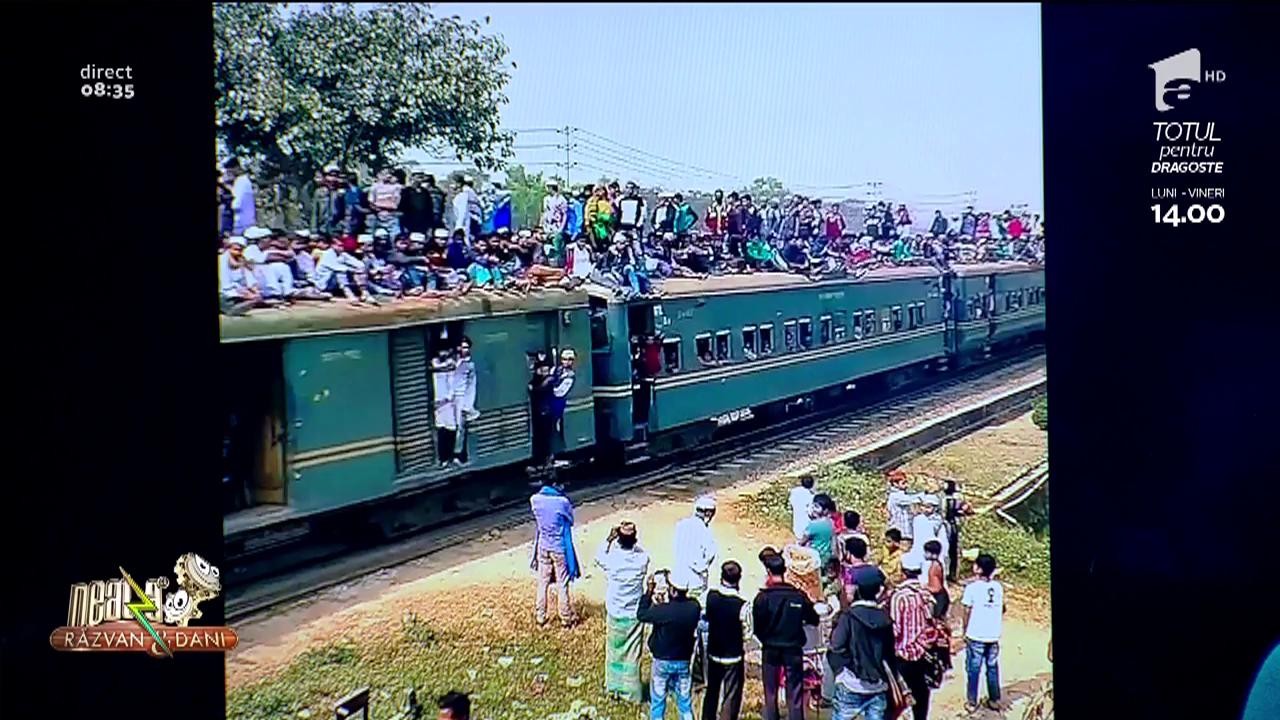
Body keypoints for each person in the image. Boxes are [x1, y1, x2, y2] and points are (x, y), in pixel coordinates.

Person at [754, 551, 820, 720]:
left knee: (771, 691)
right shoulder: (798, 596)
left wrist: (766, 639)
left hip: (770, 649)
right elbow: (814, 618)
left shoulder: (763, 598)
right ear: (785, 571)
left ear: (768, 572)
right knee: (795, 691)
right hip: (793, 649)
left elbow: (757, 627)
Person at [827, 574, 896, 720]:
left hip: (850, 682)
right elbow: (890, 653)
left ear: (858, 591)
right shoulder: (885, 618)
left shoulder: (848, 617)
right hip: (878, 685)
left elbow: (836, 646)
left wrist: (843, 669)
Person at [595, 522, 650, 703]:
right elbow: (640, 551)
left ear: (618, 539)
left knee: (614, 652)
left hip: (616, 612)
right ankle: (631, 693)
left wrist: (610, 539)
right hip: (634, 614)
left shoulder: (612, 559)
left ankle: (614, 688)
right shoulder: (642, 559)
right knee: (632, 655)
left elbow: (598, 556)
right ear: (635, 539)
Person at [638, 569, 702, 720]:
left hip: (662, 661)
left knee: (658, 702)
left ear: (672, 590)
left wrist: (649, 592)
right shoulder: (694, 608)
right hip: (683, 661)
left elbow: (641, 614)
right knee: (685, 702)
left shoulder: (663, 611)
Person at [703, 561, 752, 720]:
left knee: (711, 691)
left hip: (713, 651)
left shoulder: (710, 597)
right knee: (731, 695)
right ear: (739, 579)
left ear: (721, 577)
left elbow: (705, 618)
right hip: (733, 655)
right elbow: (748, 632)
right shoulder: (743, 605)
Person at [890, 556, 937, 720]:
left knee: (897, 696)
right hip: (923, 652)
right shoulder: (926, 593)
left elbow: (895, 628)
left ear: (903, 572)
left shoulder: (899, 596)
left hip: (903, 653)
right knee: (921, 692)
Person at [529, 480, 580, 628]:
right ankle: (565, 618)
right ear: (556, 485)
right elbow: (570, 520)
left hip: (542, 546)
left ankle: (540, 617)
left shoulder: (535, 500)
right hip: (559, 548)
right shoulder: (562, 502)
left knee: (542, 582)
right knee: (562, 583)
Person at [961, 553, 1005, 713]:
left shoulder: (971, 588)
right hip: (993, 634)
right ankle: (994, 699)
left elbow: (966, 611)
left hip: (976, 634)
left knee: (974, 668)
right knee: (992, 667)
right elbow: (1003, 609)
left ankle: (972, 701)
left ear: (978, 569)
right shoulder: (998, 587)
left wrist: (964, 630)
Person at [672, 496, 720, 599]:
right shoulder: (706, 533)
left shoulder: (681, 525)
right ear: (708, 513)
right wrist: (702, 571)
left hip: (678, 579)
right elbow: (708, 558)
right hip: (695, 582)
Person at [242, 227, 298, 300]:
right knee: (267, 268)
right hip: (254, 278)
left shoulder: (264, 250)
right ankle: (274, 293)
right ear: (261, 240)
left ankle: (287, 291)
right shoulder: (251, 249)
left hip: (263, 276)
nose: (271, 241)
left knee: (283, 267)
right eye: (269, 238)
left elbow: (290, 255)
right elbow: (265, 259)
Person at [451, 336, 479, 465]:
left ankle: (458, 454)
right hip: (450, 399)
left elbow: (471, 386)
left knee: (459, 428)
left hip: (461, 399)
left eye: (465, 347)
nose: (463, 349)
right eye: (461, 347)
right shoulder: (454, 362)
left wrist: (467, 405)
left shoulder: (469, 365)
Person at [432, 347, 460, 467]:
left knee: (451, 430)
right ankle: (443, 458)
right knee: (442, 431)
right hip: (440, 403)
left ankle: (450, 456)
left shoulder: (450, 365)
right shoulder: (436, 364)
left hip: (448, 403)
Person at [908, 495, 949, 573]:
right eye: (923, 506)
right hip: (919, 550)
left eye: (928, 507)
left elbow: (942, 541)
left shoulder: (938, 521)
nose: (925, 509)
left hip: (933, 550)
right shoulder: (918, 519)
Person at [942, 480, 973, 582]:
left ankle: (946, 573)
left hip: (943, 527)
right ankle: (952, 574)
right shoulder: (956, 501)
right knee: (953, 551)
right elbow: (968, 510)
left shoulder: (940, 499)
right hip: (951, 527)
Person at [885, 470, 919, 551]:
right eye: (903, 483)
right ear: (895, 484)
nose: (906, 485)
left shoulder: (901, 494)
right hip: (900, 534)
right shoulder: (896, 496)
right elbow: (912, 499)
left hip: (905, 534)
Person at [801, 494, 838, 566]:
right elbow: (833, 540)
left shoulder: (813, 525)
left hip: (813, 558)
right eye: (813, 506)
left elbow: (802, 542)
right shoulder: (831, 522)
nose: (814, 509)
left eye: (817, 507)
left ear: (825, 510)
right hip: (826, 557)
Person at [223, 158, 256, 234]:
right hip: (248, 221)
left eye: (230, 170)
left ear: (237, 167)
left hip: (241, 223)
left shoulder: (240, 182)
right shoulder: (245, 181)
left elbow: (236, 204)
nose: (229, 173)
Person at [923, 540, 949, 619]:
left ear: (933, 554)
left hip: (939, 598)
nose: (924, 554)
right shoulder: (935, 564)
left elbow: (937, 588)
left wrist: (924, 587)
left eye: (927, 552)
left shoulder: (935, 567)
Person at [789, 475, 817, 540]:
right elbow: (811, 513)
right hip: (807, 527)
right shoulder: (811, 497)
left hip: (796, 525)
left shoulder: (794, 492)